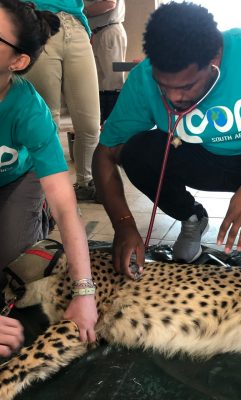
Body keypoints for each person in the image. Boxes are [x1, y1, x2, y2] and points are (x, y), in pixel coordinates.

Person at [92, 1, 241, 277]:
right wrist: (123, 225)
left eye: (185, 86)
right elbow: (105, 153)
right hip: (197, 157)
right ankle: (192, 217)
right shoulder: (144, 76)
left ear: (215, 60)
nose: (173, 98)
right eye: (164, 86)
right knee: (135, 152)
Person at [0, 0, 97, 355]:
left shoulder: (30, 111)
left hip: (17, 179)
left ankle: (31, 218)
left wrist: (85, 293)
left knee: (15, 266)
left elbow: (67, 207)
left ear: (18, 62)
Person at [22, 0, 101, 201]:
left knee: (90, 123)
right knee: (47, 121)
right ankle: (47, 188)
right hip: (38, 21)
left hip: (76, 26)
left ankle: (86, 182)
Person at [84, 0, 127, 125]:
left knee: (113, 82)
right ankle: (104, 124)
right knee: (100, 82)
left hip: (109, 31)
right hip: (99, 32)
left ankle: (114, 124)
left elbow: (109, 3)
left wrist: (81, 11)